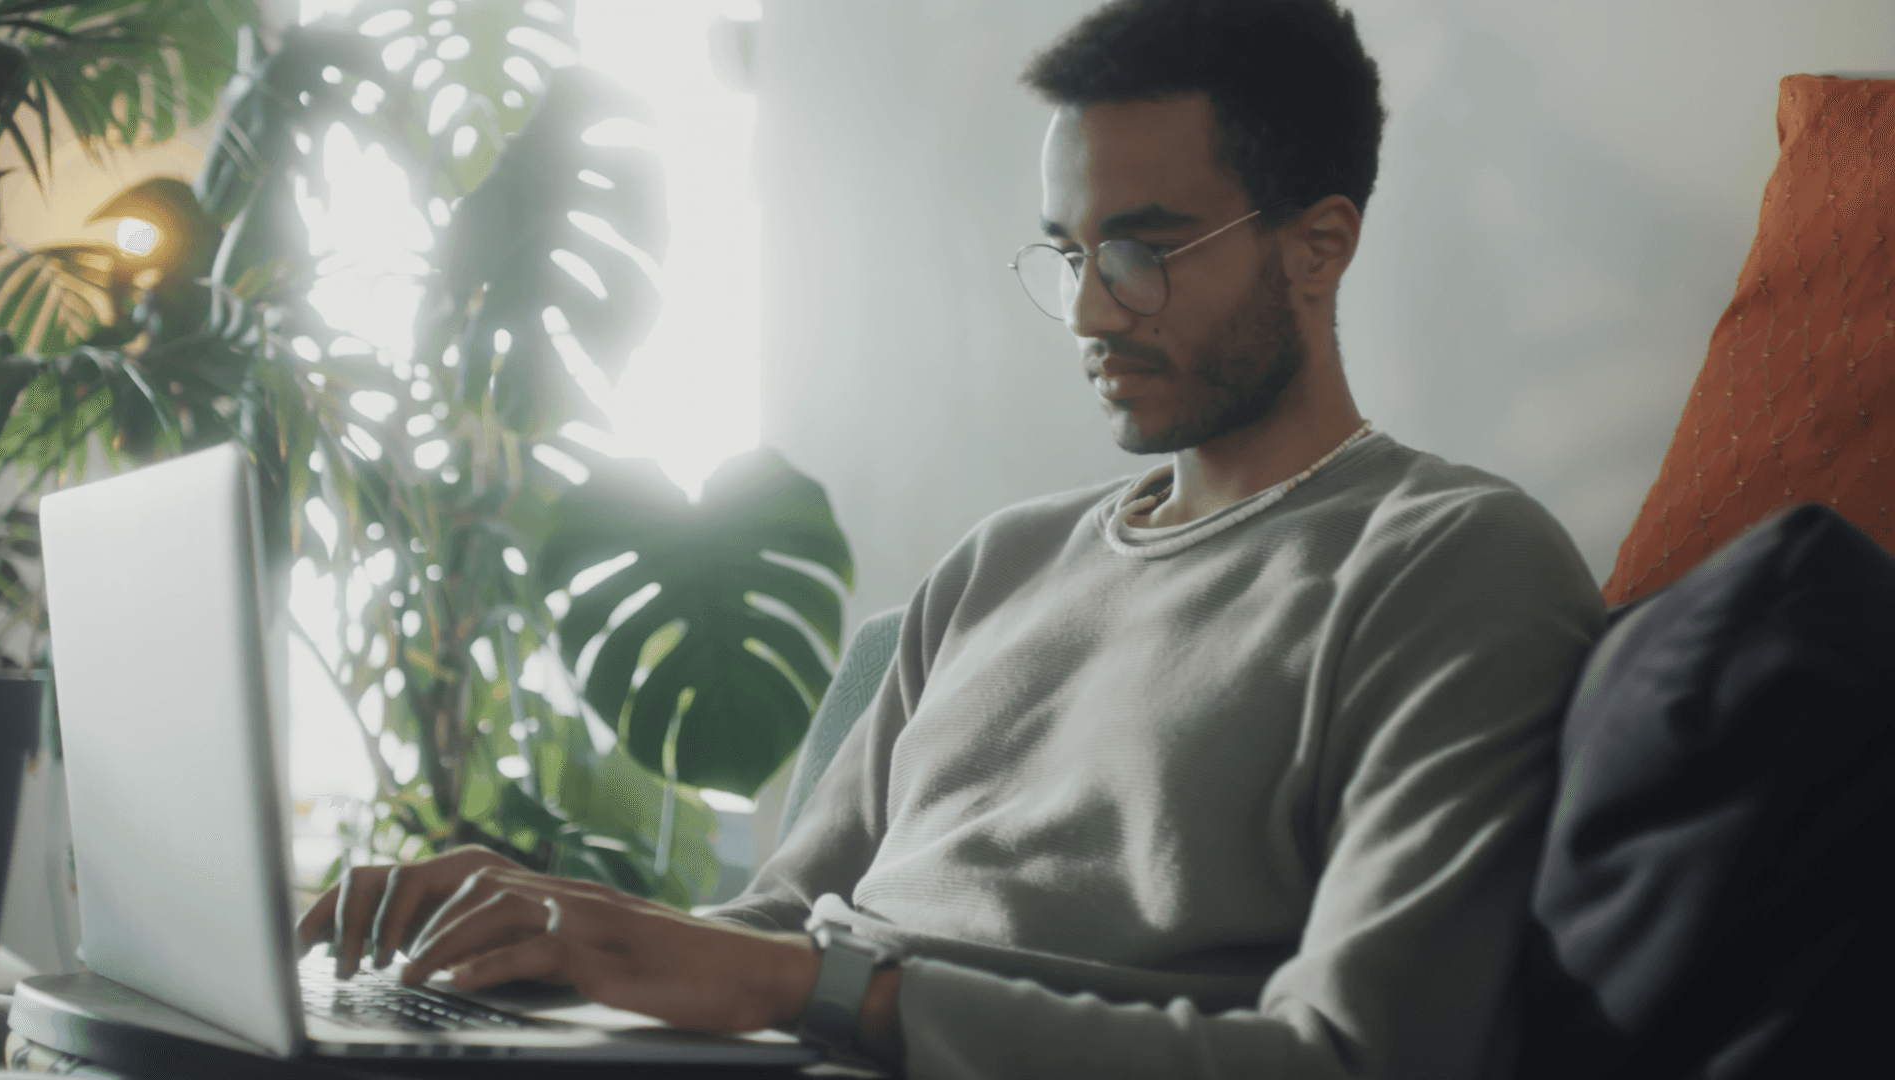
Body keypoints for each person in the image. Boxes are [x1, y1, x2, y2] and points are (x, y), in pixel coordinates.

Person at [300, 1, 1604, 1076]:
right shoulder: (1000, 565)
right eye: (1067, 253)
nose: (1089, 314)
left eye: (1141, 254)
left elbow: (1352, 1058)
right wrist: (560, 925)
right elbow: (776, 927)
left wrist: (831, 991)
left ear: (1317, 246)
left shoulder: (1450, 565)